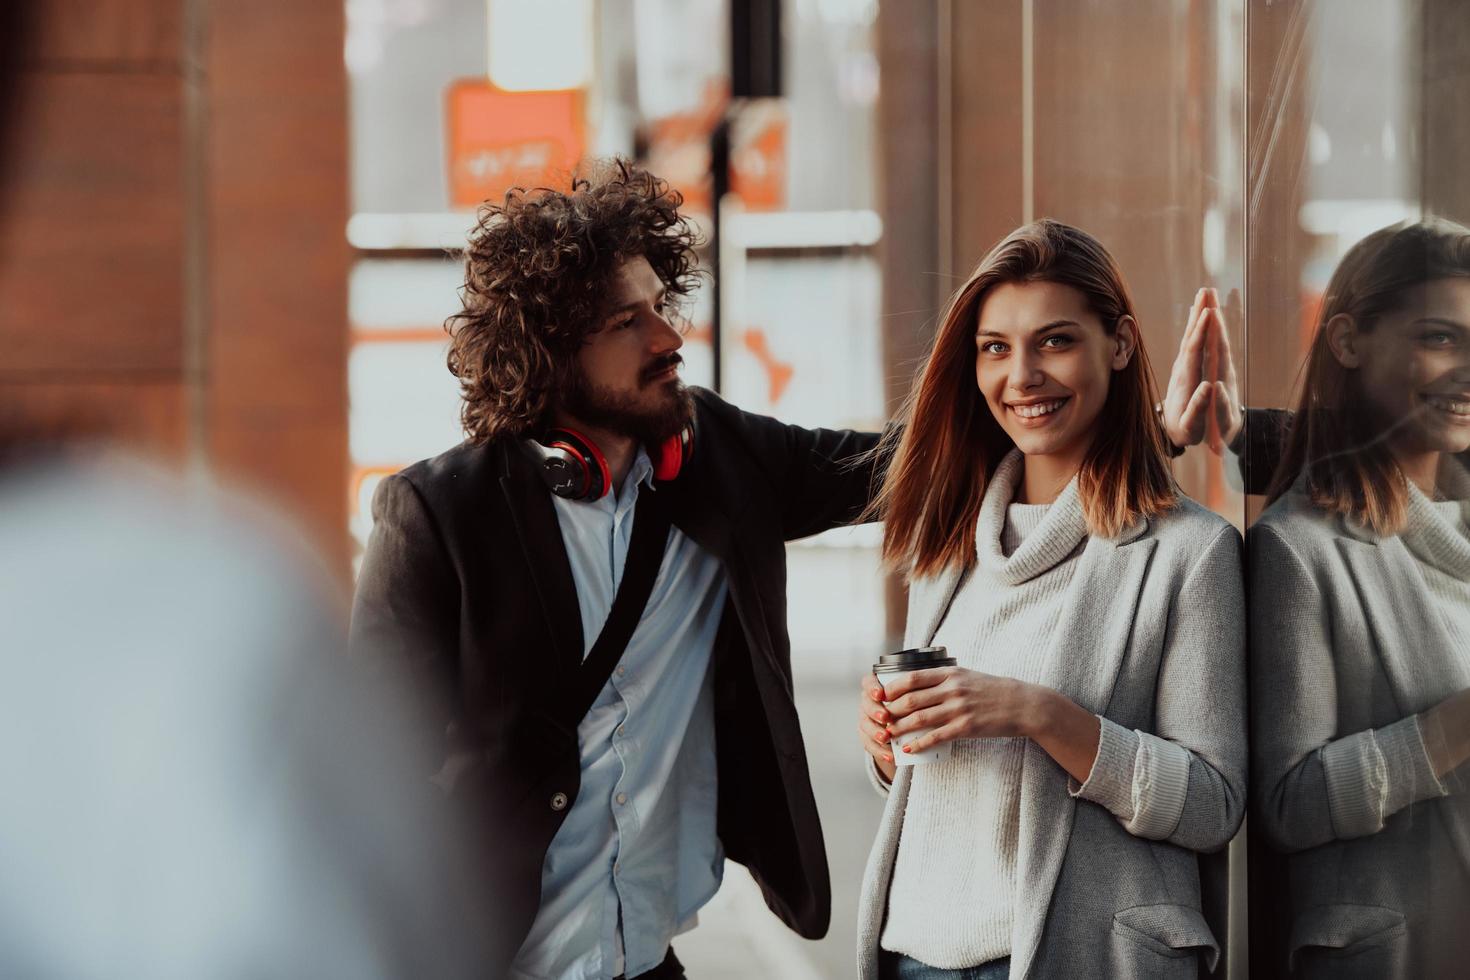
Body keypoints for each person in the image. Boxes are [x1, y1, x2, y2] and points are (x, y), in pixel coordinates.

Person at [349, 159, 882, 979]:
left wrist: (1120, 421)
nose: (668, 338)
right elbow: (370, 783)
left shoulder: (723, 458)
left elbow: (901, 468)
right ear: (551, 357)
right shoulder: (435, 516)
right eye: (625, 322)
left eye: (659, 307)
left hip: (649, 964)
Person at [854, 219, 1246, 980]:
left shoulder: (1189, 554)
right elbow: (931, 778)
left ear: (1121, 345)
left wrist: (1039, 715)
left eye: (1056, 341)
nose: (1022, 375)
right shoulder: (948, 547)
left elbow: (1213, 805)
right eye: (995, 348)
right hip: (915, 955)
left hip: (1082, 955)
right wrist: (882, 742)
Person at [1246, 219, 1470, 979]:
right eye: (1442, 338)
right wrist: (1453, 729)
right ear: (1348, 340)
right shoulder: (1298, 547)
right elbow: (1289, 803)